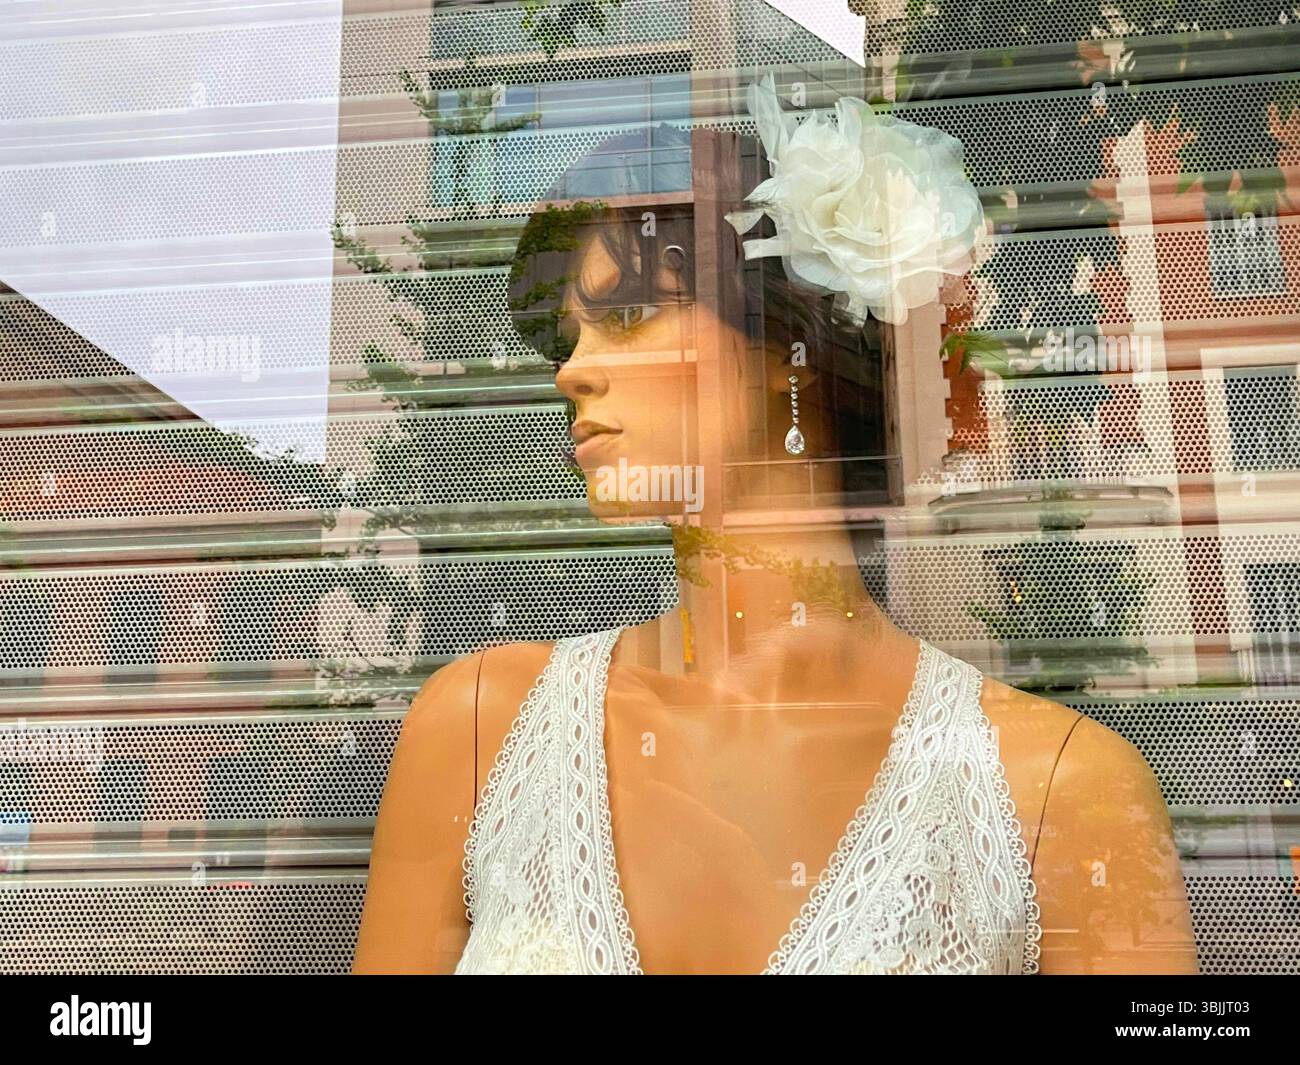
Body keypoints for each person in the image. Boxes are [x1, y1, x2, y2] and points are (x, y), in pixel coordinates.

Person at [351, 85, 1199, 974]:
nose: (572, 370)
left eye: (629, 315)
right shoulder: (480, 729)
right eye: (568, 336)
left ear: (786, 345)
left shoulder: (1060, 792)